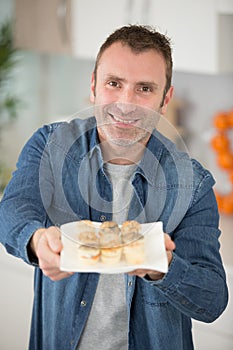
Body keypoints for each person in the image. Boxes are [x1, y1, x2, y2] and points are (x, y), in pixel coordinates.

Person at [0, 24, 228, 350]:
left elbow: (213, 300)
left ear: (166, 99)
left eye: (144, 89)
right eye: (113, 83)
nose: (126, 104)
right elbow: (12, 210)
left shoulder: (192, 184)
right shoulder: (50, 145)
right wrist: (37, 240)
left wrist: (161, 268)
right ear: (93, 86)